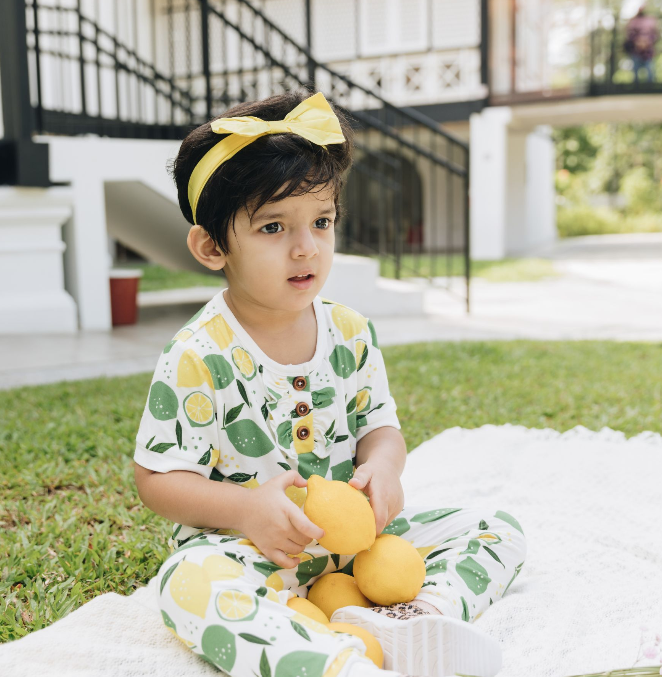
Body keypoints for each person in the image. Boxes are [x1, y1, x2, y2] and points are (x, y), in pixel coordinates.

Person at [132, 89, 527, 677]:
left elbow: (380, 428)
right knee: (187, 583)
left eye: (321, 221)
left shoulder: (351, 331)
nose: (305, 247)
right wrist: (245, 511)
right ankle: (335, 663)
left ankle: (416, 618)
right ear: (212, 246)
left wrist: (384, 469)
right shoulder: (197, 354)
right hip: (255, 549)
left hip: (355, 542)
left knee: (496, 530)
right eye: (273, 227)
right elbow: (158, 479)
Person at [624, 5, 660, 84]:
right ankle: (636, 88)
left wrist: (647, 42)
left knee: (650, 69)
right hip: (636, 50)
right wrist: (637, 42)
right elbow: (629, 34)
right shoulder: (633, 21)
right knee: (636, 70)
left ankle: (650, 88)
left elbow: (655, 34)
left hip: (648, 51)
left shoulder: (650, 21)